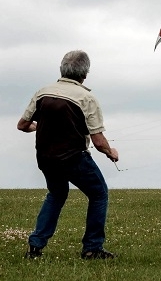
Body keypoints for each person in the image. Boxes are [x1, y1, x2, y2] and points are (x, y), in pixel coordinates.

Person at [17, 50, 119, 260]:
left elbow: (23, 125)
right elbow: (99, 142)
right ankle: (92, 248)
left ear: (61, 69)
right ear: (85, 74)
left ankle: (35, 247)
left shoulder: (43, 93)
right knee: (99, 194)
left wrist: (41, 126)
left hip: (45, 157)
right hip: (74, 158)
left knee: (56, 194)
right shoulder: (87, 97)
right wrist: (111, 152)